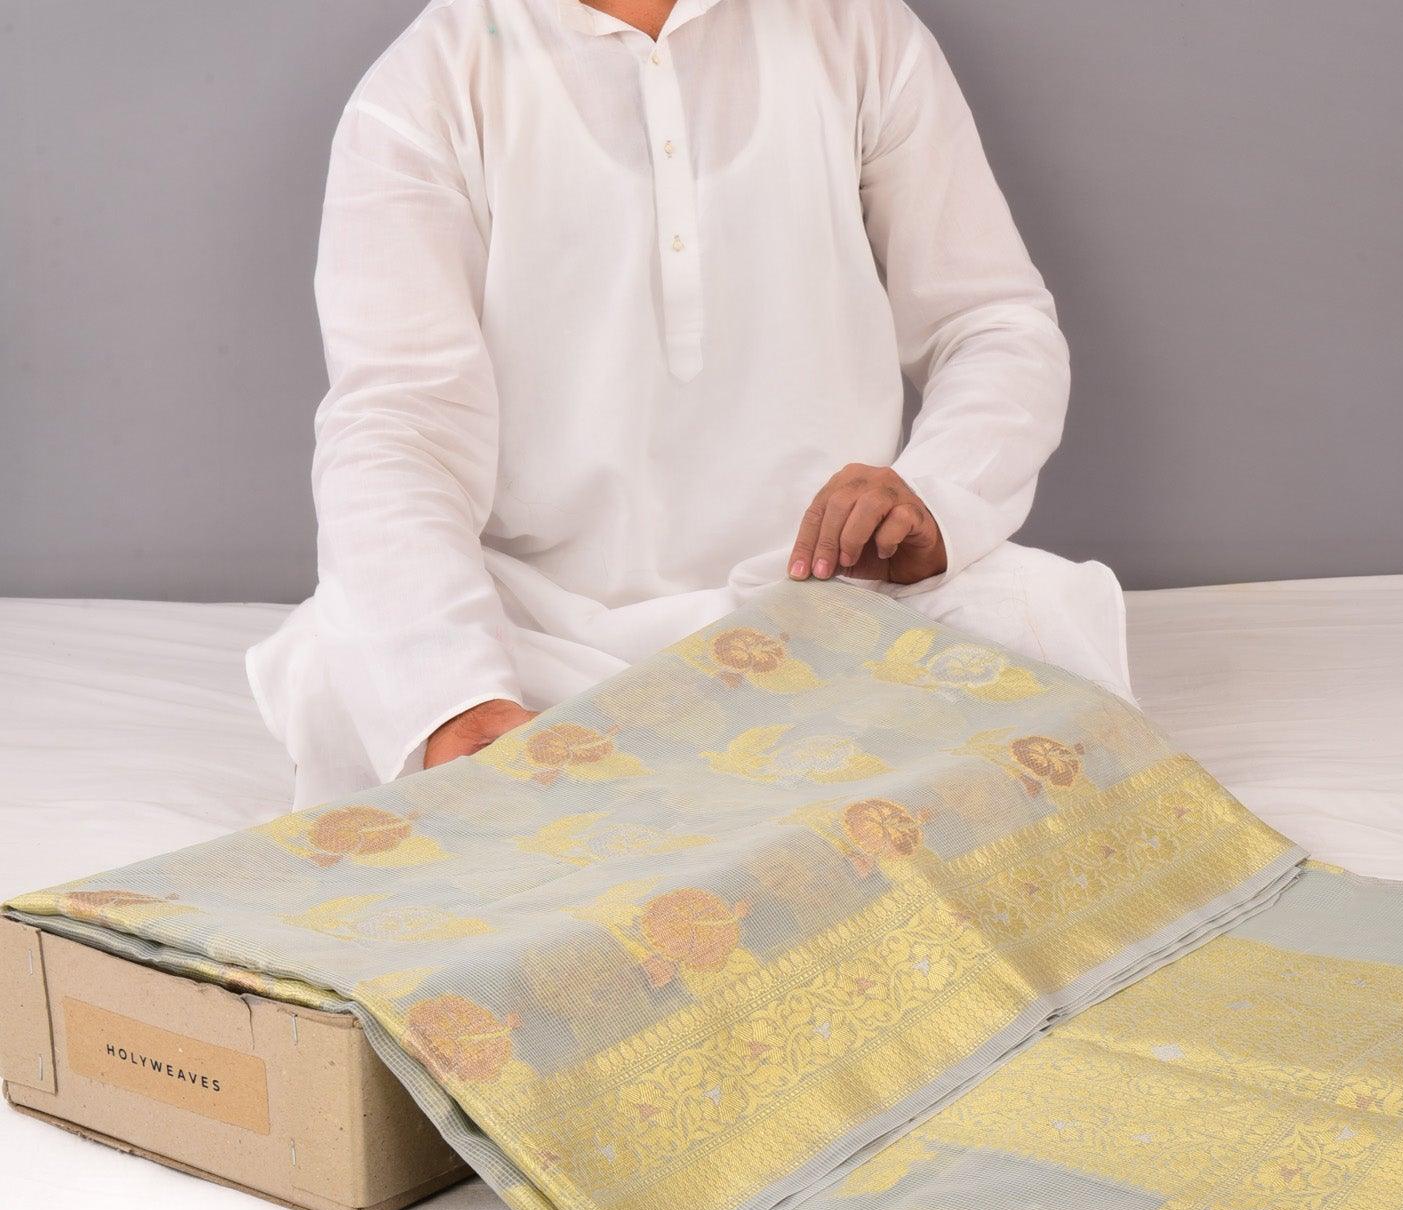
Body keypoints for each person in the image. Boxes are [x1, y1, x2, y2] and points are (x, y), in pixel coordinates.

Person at [248, 0, 1132, 806]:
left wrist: (933, 498)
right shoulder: (430, 81)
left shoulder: (857, 30)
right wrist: (459, 700)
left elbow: (991, 322)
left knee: (1036, 624)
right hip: (542, 634)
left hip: (832, 603)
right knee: (347, 676)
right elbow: (397, 421)